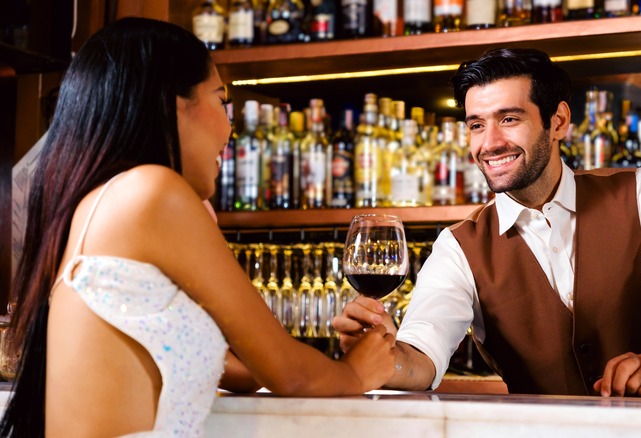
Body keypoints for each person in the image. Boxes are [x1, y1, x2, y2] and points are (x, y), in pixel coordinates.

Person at [1, 17, 395, 437]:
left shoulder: (101, 202)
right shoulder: (153, 192)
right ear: (172, 105)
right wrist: (356, 372)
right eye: (220, 100)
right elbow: (291, 373)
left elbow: (239, 364)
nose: (230, 126)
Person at [333, 48, 641, 397]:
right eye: (476, 125)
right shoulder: (458, 246)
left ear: (558, 122)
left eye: (509, 118)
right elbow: (422, 356)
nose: (490, 142)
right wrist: (384, 354)